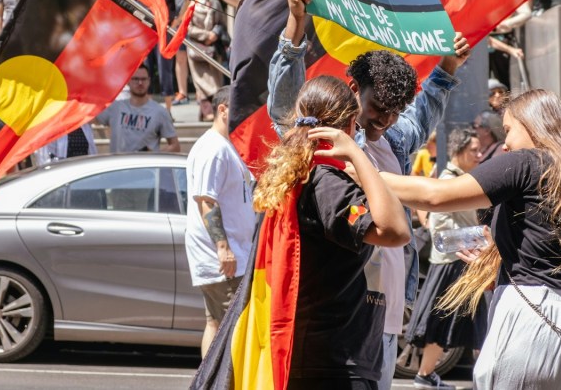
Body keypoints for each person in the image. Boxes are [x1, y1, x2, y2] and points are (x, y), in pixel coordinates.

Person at [269, 0, 471, 390]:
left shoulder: (395, 140)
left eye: (394, 113)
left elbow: (426, 109)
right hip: (339, 313)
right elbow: (286, 106)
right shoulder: (326, 145)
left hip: (387, 314)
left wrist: (449, 66)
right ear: (353, 88)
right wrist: (295, 24)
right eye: (377, 110)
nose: (383, 121)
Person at [382, 89, 561, 389]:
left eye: (508, 130)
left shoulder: (526, 162)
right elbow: (556, 252)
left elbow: (435, 196)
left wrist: (362, 168)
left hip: (538, 328)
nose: (504, 143)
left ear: (533, 125)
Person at [253, 75, 410, 388]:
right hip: (333, 363)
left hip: (320, 356)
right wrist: (357, 156)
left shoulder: (301, 175)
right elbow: (396, 231)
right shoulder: (327, 183)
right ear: (351, 126)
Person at [406, 128, 487, 390]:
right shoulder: (448, 180)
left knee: (472, 325)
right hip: (453, 264)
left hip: (461, 263)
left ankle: (429, 375)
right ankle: (427, 375)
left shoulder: (462, 178)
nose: (479, 154)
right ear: (459, 152)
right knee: (447, 325)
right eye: (474, 150)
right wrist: (481, 237)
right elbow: (438, 229)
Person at [184, 86, 255, 357]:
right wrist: (223, 248)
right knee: (232, 330)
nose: (245, 116)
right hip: (224, 258)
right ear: (223, 110)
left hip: (233, 254)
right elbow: (206, 201)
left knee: (216, 323)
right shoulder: (213, 148)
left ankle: (209, 382)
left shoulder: (226, 146)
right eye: (240, 110)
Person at [138, 0, 186, 112]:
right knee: (146, 67)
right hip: (145, 28)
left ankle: (168, 111)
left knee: (164, 68)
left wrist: (177, 20)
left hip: (164, 27)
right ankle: (148, 109)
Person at [95, 65, 180, 153]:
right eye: (135, 79)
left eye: (143, 79)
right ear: (128, 81)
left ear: (149, 81)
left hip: (144, 166)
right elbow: (88, 117)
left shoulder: (160, 112)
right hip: (118, 165)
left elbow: (175, 146)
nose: (140, 83)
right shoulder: (115, 108)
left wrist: (153, 155)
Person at [184, 0, 226, 121]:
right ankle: (207, 112)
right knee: (201, 83)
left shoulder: (215, 3)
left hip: (213, 50)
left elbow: (222, 23)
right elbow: (188, 27)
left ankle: (213, 113)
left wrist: (214, 34)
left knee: (216, 82)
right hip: (196, 49)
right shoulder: (192, 5)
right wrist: (205, 35)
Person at [170, 0, 198, 106]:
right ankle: (182, 92)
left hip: (194, 23)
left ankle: (202, 94)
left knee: (197, 57)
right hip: (177, 23)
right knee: (180, 57)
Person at [487, 1, 532, 89]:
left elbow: (527, 13)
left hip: (502, 37)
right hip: (483, 42)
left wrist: (507, 23)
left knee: (503, 81)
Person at [31, 124, 97, 166]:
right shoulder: (50, 126)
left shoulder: (85, 126)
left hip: (82, 174)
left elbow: (92, 153)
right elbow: (44, 158)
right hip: (62, 175)